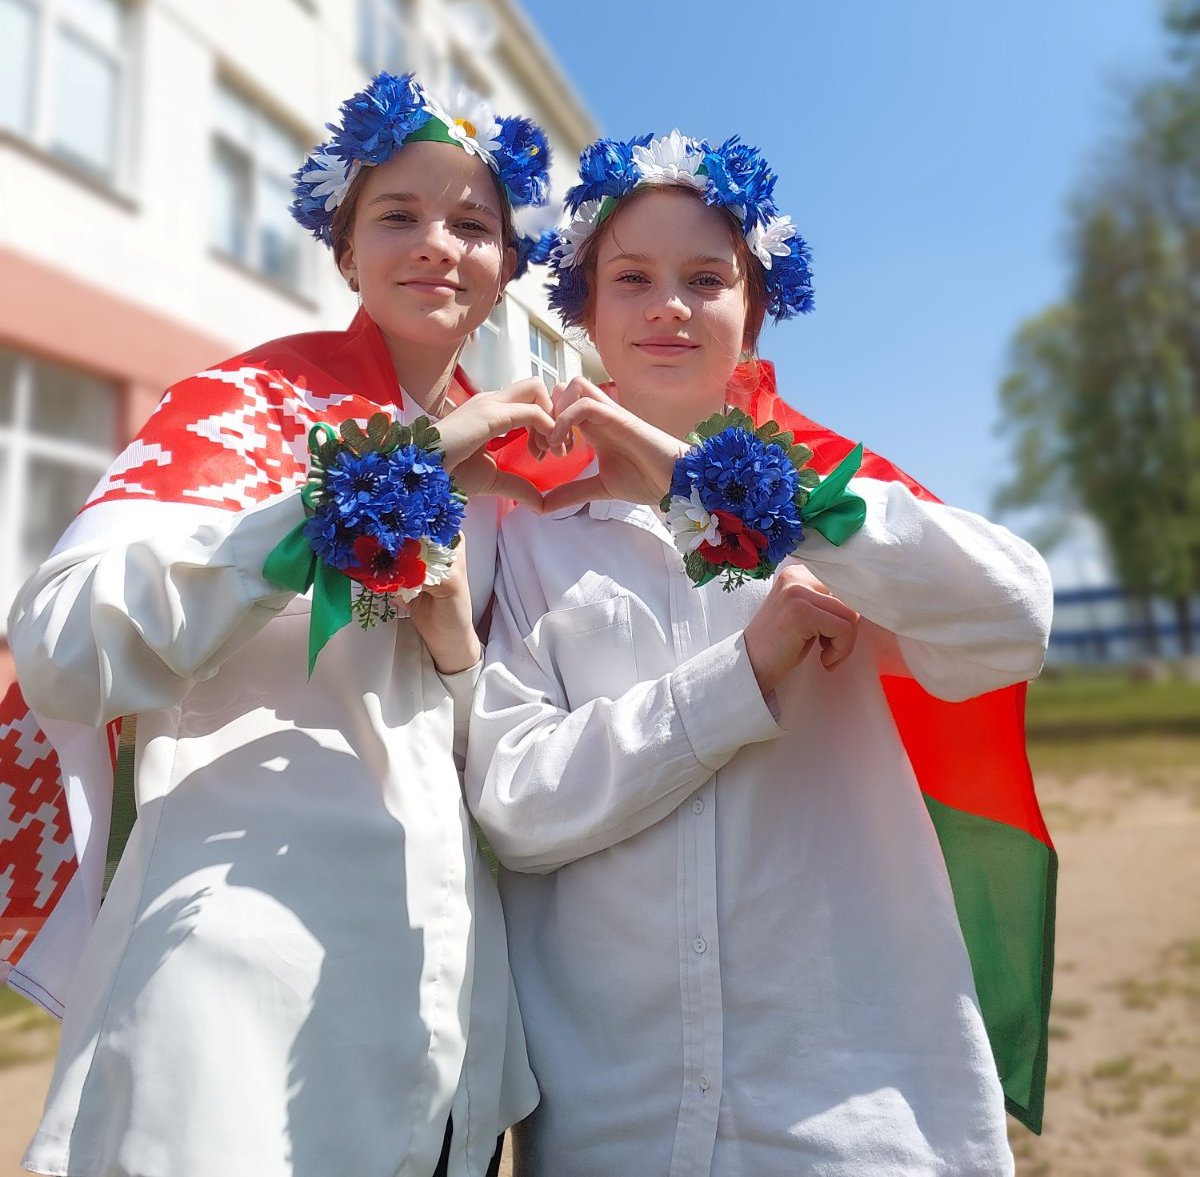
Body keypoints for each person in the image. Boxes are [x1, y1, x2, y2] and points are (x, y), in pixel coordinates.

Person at [4, 72, 581, 1177]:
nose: (438, 245)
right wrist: (374, 482)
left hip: (456, 1036)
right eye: (398, 215)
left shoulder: (517, 482)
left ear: (509, 266)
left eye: (473, 225)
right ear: (345, 251)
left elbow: (498, 748)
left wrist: (459, 647)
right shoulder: (243, 406)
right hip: (231, 1012)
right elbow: (64, 644)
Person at [466, 131, 1056, 1176]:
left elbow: (1015, 617)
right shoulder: (530, 534)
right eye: (632, 278)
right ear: (584, 309)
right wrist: (741, 677)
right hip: (615, 1111)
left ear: (756, 308)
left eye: (707, 278)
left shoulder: (838, 502)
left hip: (857, 1105)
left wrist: (720, 487)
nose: (670, 305)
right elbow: (516, 803)